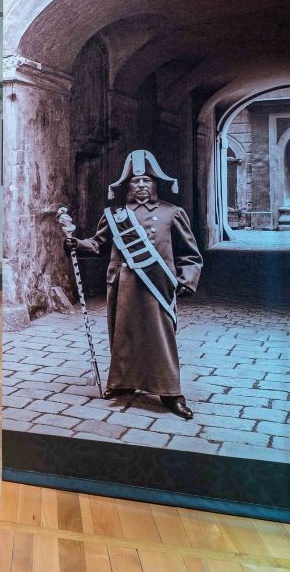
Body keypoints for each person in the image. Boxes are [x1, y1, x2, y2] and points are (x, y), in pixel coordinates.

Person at [63, 150, 203, 419]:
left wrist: (187, 279)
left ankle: (170, 393)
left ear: (155, 184)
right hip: (123, 285)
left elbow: (190, 254)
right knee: (123, 334)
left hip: (157, 285)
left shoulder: (172, 213)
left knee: (161, 337)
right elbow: (97, 244)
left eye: (146, 180)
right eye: (135, 181)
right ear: (127, 186)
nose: (140, 185)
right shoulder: (115, 215)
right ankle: (122, 383)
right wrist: (76, 244)